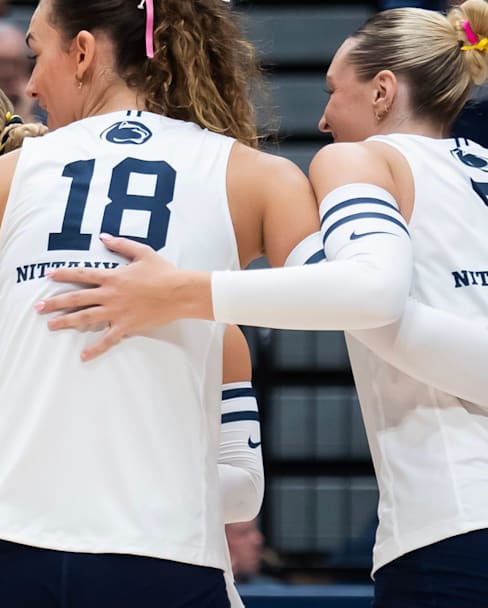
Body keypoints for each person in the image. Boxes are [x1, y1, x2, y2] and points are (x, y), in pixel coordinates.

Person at [0, 0, 458, 603]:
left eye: (35, 53)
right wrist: (196, 291)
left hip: (8, 552)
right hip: (162, 553)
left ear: (83, 52)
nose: (30, 86)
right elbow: (361, 298)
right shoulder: (255, 175)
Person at [33, 3, 488, 606]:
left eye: (333, 90)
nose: (323, 120)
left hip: (453, 523)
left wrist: (188, 291)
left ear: (382, 91)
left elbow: (367, 297)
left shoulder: (362, 159)